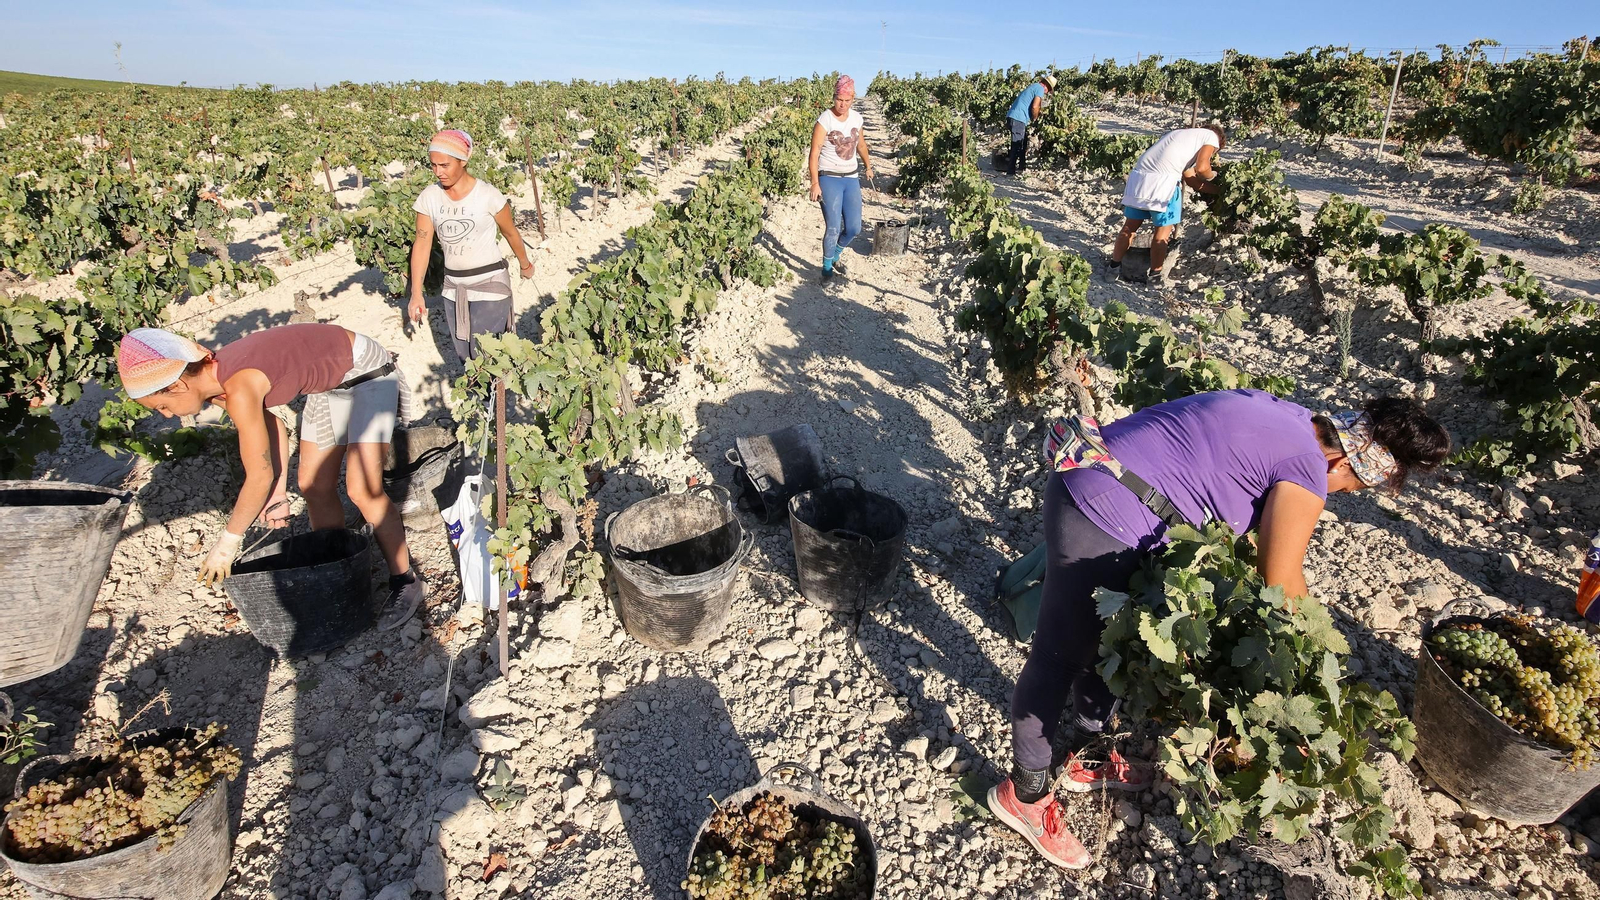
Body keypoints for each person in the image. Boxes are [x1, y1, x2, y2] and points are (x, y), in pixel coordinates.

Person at [987, 389, 1450, 870]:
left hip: (1100, 471)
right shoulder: (1309, 471)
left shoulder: (1291, 415)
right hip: (1105, 510)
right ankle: (1025, 794)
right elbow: (1283, 583)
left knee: (1108, 637)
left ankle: (1085, 755)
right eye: (1348, 491)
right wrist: (1316, 650)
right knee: (1062, 655)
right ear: (1344, 466)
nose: (1337, 496)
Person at [117, 324, 426, 630]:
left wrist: (228, 543)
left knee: (362, 489)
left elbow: (258, 475)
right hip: (329, 386)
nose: (167, 416)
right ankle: (338, 575)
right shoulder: (219, 386)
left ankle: (405, 581)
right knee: (313, 486)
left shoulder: (238, 385)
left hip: (367, 372)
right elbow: (272, 425)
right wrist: (278, 492)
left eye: (162, 406)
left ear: (177, 386)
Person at [408, 129, 535, 362]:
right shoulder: (429, 198)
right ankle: (482, 398)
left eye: (445, 165)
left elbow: (510, 233)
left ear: (463, 160)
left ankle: (496, 398)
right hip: (454, 287)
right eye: (434, 165)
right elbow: (422, 244)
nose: (438, 172)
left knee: (487, 356)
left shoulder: (488, 195)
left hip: (490, 284)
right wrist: (416, 293)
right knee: (464, 355)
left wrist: (525, 264)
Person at [1110, 123, 1225, 285]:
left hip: (1140, 180)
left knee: (1129, 228)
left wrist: (1219, 191)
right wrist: (1213, 174)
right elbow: (1202, 169)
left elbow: (1192, 180)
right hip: (1164, 185)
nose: (1212, 153)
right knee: (1162, 234)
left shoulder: (1182, 137)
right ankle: (1155, 277)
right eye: (1215, 151)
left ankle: (1113, 268)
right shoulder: (1211, 136)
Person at [808, 75, 874, 283]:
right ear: (834, 97)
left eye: (847, 100)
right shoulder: (825, 119)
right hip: (829, 178)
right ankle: (827, 268)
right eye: (839, 99)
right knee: (834, 227)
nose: (842, 104)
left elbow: (861, 145)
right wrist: (815, 183)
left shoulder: (856, 118)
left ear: (853, 99)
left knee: (854, 227)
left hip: (851, 178)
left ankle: (835, 255)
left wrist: (868, 166)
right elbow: (815, 152)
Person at [1004, 74, 1056, 176]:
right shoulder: (1040, 89)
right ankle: (1010, 172)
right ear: (1047, 86)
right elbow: (1035, 106)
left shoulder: (1034, 86)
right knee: (1017, 144)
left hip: (1014, 117)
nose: (1047, 93)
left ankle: (1021, 168)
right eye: (1048, 90)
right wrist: (1035, 117)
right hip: (1018, 118)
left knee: (1023, 143)